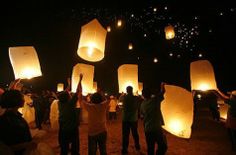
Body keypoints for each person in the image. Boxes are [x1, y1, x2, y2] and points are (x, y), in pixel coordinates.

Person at [0, 89, 37, 155]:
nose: (23, 100)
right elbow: (7, 146)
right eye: (21, 97)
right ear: (14, 100)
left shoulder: (17, 115)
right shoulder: (6, 120)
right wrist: (27, 144)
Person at [140, 83, 167, 155]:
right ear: (150, 94)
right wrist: (162, 86)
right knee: (163, 146)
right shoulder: (155, 100)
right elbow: (163, 92)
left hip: (148, 129)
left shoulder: (142, 104)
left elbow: (142, 116)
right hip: (156, 128)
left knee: (150, 148)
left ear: (143, 95)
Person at [58, 77, 81, 155]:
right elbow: (78, 91)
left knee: (64, 146)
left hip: (63, 128)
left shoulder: (60, 103)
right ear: (68, 97)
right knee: (75, 145)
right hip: (72, 128)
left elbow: (64, 93)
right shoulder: (70, 104)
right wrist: (80, 80)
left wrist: (69, 84)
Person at [121, 86, 141, 154]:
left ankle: (124, 149)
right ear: (132, 90)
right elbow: (139, 103)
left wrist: (122, 94)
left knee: (125, 135)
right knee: (135, 134)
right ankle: (137, 147)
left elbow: (120, 102)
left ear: (127, 90)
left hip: (125, 119)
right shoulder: (136, 98)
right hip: (133, 119)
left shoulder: (124, 97)